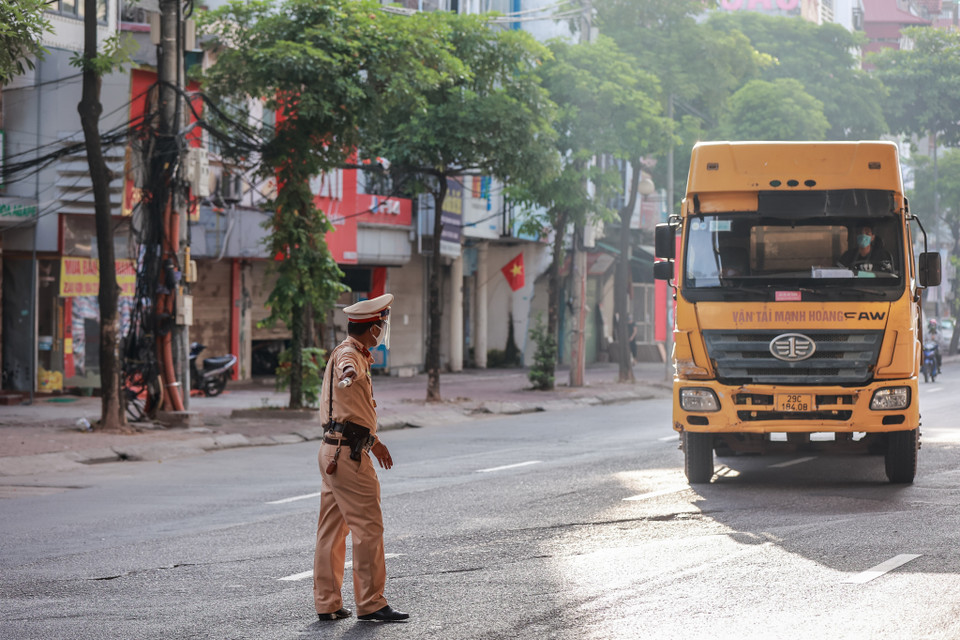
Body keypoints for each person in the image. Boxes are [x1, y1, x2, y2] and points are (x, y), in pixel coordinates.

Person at [313, 293, 409, 623]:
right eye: (380, 326)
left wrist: (375, 442)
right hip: (348, 457)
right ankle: (370, 602)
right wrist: (349, 374)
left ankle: (328, 602)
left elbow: (352, 411)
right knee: (368, 527)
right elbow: (346, 370)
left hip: (334, 450)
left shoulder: (356, 353)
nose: (381, 332)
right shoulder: (349, 355)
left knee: (332, 530)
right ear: (372, 329)